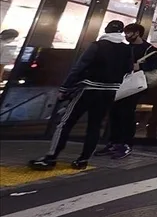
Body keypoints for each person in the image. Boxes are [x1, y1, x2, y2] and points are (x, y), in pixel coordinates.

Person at [30, 21, 133, 171]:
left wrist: (65, 87)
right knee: (95, 126)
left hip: (88, 89)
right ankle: (83, 160)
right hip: (109, 92)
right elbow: (128, 69)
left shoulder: (97, 46)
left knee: (66, 123)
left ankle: (51, 157)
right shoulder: (126, 49)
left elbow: (79, 67)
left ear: (106, 30)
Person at [94, 24, 157, 160]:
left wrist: (140, 66)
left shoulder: (149, 49)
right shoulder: (124, 47)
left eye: (129, 33)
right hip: (120, 84)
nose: (126, 35)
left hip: (135, 86)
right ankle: (113, 142)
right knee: (115, 113)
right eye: (125, 33)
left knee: (127, 114)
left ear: (137, 33)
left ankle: (125, 144)